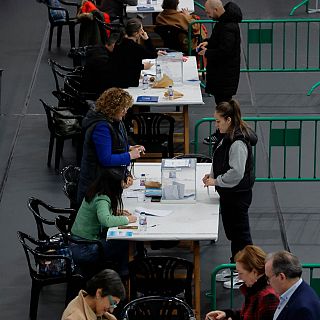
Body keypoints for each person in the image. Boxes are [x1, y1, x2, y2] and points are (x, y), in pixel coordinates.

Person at [202, 99, 257, 286]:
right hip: (230, 193)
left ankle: (245, 272)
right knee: (234, 234)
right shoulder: (228, 136)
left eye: (218, 121)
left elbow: (236, 172)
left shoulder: (238, 143)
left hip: (237, 195)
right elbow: (221, 159)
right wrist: (212, 175)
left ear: (228, 119)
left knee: (240, 235)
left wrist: (216, 180)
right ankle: (236, 266)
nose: (216, 125)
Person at [77, 87, 144, 205]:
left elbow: (114, 144)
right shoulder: (101, 127)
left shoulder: (115, 120)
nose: (125, 111)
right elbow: (105, 159)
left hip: (107, 182)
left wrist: (129, 148)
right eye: (123, 108)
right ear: (113, 108)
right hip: (95, 187)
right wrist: (129, 155)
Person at [71, 169, 137, 277]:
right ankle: (124, 274)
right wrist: (127, 219)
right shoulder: (102, 199)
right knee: (124, 242)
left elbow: (101, 214)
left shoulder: (95, 191)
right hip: (85, 249)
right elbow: (106, 220)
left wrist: (116, 212)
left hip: (77, 243)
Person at [206, 245, 279, 320]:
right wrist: (227, 314)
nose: (239, 277)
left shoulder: (268, 298)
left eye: (241, 273)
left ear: (254, 272)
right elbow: (248, 315)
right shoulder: (256, 291)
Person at [197, 0, 242, 105]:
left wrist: (207, 53)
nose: (208, 15)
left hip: (225, 76)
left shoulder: (227, 26)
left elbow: (225, 51)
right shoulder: (224, 22)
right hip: (222, 74)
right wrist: (208, 43)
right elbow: (219, 41)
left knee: (223, 105)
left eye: (208, 13)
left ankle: (228, 121)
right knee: (223, 104)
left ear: (216, 10)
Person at [109, 18, 165, 88]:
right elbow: (153, 55)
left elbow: (124, 62)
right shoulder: (136, 47)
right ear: (136, 33)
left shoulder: (119, 42)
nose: (143, 31)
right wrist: (147, 39)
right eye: (141, 30)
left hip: (117, 79)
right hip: (129, 83)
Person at [265, 250, 320, 320]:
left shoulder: (302, 309)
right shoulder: (299, 291)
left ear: (281, 277)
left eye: (268, 278)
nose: (268, 282)